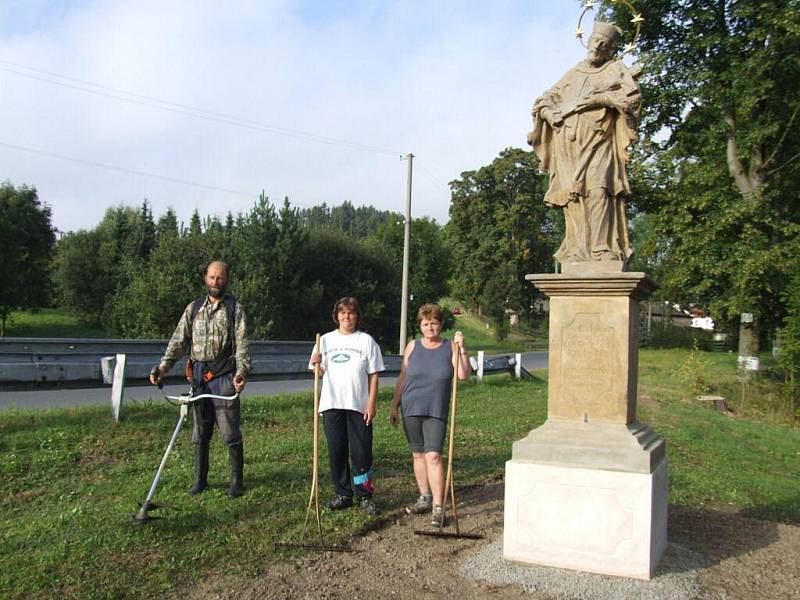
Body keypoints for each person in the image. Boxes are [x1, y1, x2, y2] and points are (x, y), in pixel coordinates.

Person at [527, 20, 641, 266]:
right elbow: (544, 100)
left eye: (605, 44)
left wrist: (599, 98)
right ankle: (578, 248)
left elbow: (631, 99)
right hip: (570, 145)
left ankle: (602, 248)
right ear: (587, 41)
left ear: (611, 49)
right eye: (595, 40)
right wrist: (551, 114)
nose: (598, 46)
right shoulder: (574, 73)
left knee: (600, 189)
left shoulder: (616, 69)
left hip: (601, 140)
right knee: (575, 196)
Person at [150, 260, 251, 498]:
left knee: (229, 430)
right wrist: (163, 367)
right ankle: (200, 480)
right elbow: (178, 340)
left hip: (224, 376)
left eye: (220, 278)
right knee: (201, 429)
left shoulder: (235, 309)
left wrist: (241, 373)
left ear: (227, 280)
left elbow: (243, 344)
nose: (216, 282)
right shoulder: (194, 308)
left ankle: (236, 482)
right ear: (205, 278)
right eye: (212, 277)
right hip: (198, 376)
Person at [390, 304, 471, 529]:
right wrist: (394, 405)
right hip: (411, 407)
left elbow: (463, 375)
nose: (430, 328)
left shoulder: (450, 347)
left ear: (440, 325)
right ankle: (424, 497)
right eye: (425, 324)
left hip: (436, 409)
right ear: (420, 326)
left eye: (434, 323)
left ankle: (438, 506)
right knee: (418, 454)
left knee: (433, 455)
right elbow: (403, 377)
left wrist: (462, 349)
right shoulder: (412, 346)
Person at [309, 297, 385, 515]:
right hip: (332, 404)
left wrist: (371, 404)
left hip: (358, 405)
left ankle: (364, 494)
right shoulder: (324, 341)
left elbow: (374, 375)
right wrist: (316, 364)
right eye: (342, 313)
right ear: (337, 316)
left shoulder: (366, 341)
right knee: (337, 450)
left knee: (361, 452)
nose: (346, 317)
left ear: (357, 316)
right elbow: (319, 373)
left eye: (351, 313)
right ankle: (343, 494)